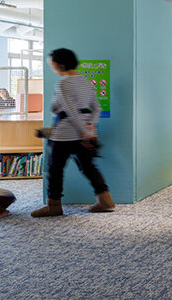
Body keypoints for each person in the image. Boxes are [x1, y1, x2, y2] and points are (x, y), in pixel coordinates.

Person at [31, 48, 114, 217]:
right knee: (89, 167)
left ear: (60, 64)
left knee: (55, 169)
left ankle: (53, 205)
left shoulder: (63, 83)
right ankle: (105, 200)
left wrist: (84, 131)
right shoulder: (85, 81)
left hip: (64, 134)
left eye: (52, 64)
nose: (51, 67)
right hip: (83, 133)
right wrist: (90, 126)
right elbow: (97, 107)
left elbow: (70, 111)